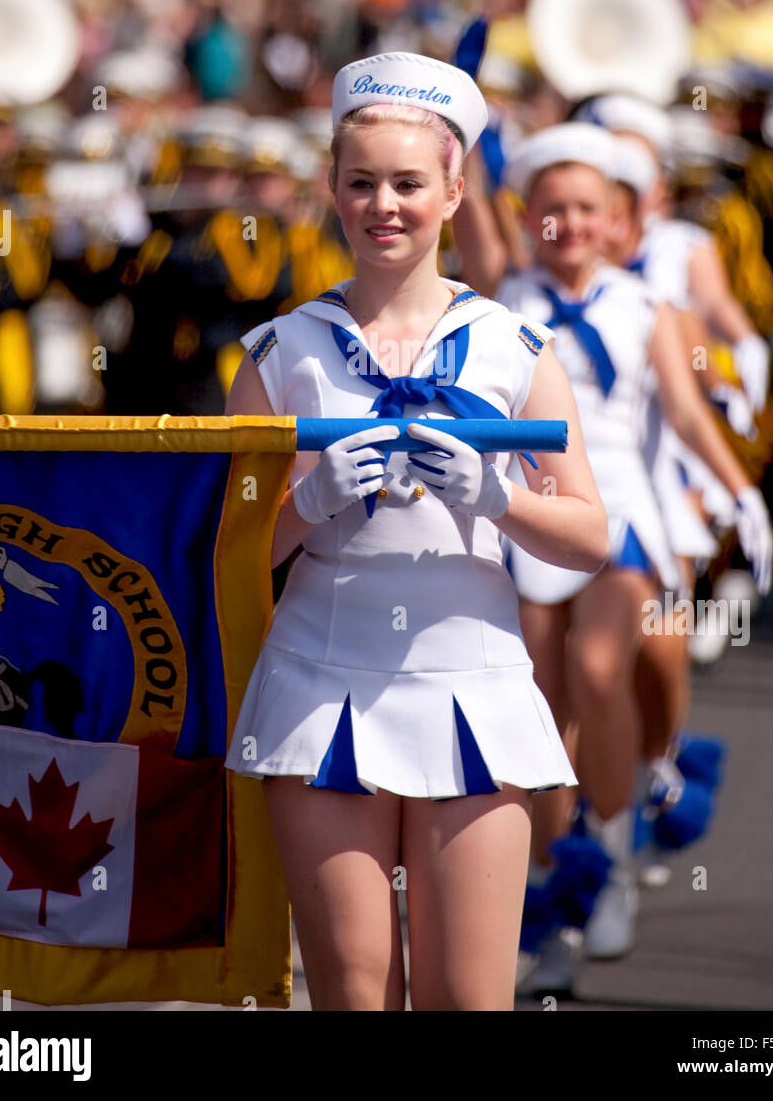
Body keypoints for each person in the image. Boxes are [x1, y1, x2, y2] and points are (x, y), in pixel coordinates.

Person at [223, 51, 609, 1011]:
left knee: (465, 1001)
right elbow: (223, 556)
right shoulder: (281, 351)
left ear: (452, 190)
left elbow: (588, 536)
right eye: (361, 183)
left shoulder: (515, 347)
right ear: (333, 191)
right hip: (319, 687)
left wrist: (496, 496)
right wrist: (303, 507)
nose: (383, 205)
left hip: (473, 686)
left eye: (407, 183)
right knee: (354, 996)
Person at [491, 122, 773, 993]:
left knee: (600, 666)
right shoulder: (501, 299)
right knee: (538, 709)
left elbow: (688, 418)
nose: (570, 224)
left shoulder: (647, 306)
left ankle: (611, 862)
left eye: (588, 209)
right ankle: (554, 893)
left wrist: (741, 492)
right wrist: (466, 137)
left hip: (622, 517)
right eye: (552, 209)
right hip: (532, 517)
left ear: (618, 219)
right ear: (528, 217)